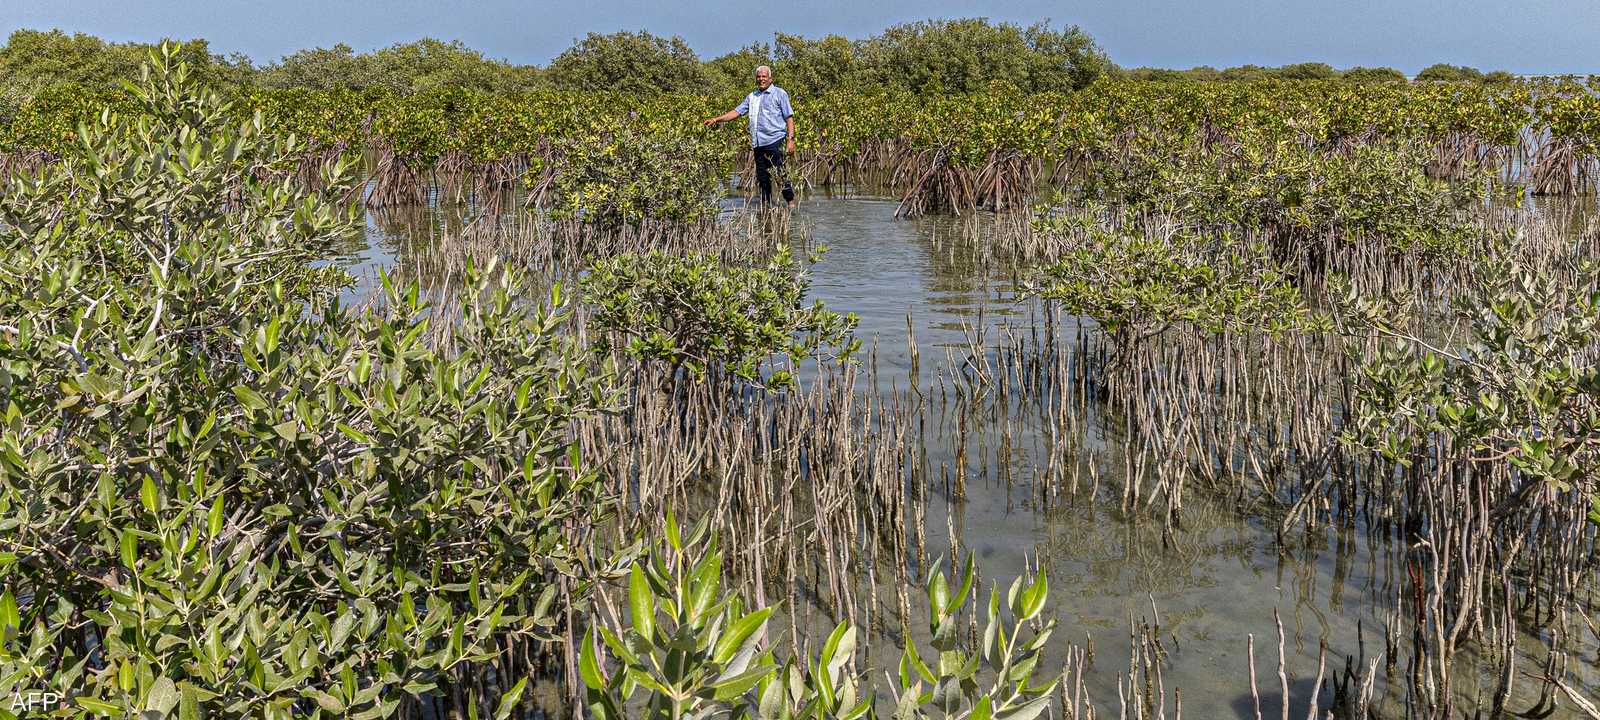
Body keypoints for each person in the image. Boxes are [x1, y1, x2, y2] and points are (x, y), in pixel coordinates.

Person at [704, 65, 796, 208]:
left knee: (781, 174)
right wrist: (716, 119)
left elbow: (789, 118)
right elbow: (737, 112)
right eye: (759, 76)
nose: (761, 79)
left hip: (775, 140)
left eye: (764, 76)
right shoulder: (752, 96)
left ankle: (791, 203)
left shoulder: (780, 93)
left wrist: (790, 140)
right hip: (758, 144)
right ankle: (766, 208)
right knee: (763, 178)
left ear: (770, 78)